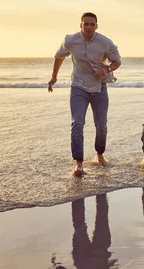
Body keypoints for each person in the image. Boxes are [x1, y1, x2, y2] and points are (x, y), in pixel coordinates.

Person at [48, 12, 121, 177]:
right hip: (78, 87)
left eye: (92, 24)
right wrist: (54, 77)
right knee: (77, 123)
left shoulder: (105, 42)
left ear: (96, 26)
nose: (88, 27)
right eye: (85, 24)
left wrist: (107, 69)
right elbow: (58, 57)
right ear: (80, 25)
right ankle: (79, 163)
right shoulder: (71, 40)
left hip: (99, 87)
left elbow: (117, 60)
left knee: (101, 125)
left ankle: (99, 154)